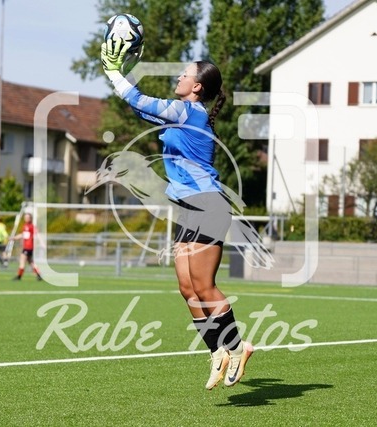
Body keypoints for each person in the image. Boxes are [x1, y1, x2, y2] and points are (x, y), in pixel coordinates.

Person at [101, 38, 252, 389]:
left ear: (196, 87)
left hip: (208, 205)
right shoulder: (182, 115)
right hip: (188, 209)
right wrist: (123, 75)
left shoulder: (188, 112)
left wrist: (113, 71)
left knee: (204, 285)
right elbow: (141, 110)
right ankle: (218, 352)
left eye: (185, 74)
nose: (179, 77)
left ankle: (238, 346)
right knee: (187, 288)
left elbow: (139, 100)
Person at [10, 213, 42, 281]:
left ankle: (19, 276)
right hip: (27, 247)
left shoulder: (31, 226)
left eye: (27, 217)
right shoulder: (25, 226)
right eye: (25, 217)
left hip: (28, 247)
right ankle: (38, 275)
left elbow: (37, 234)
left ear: (30, 218)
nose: (26, 218)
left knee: (22, 261)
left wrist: (41, 243)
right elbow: (23, 235)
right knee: (31, 262)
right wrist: (14, 238)